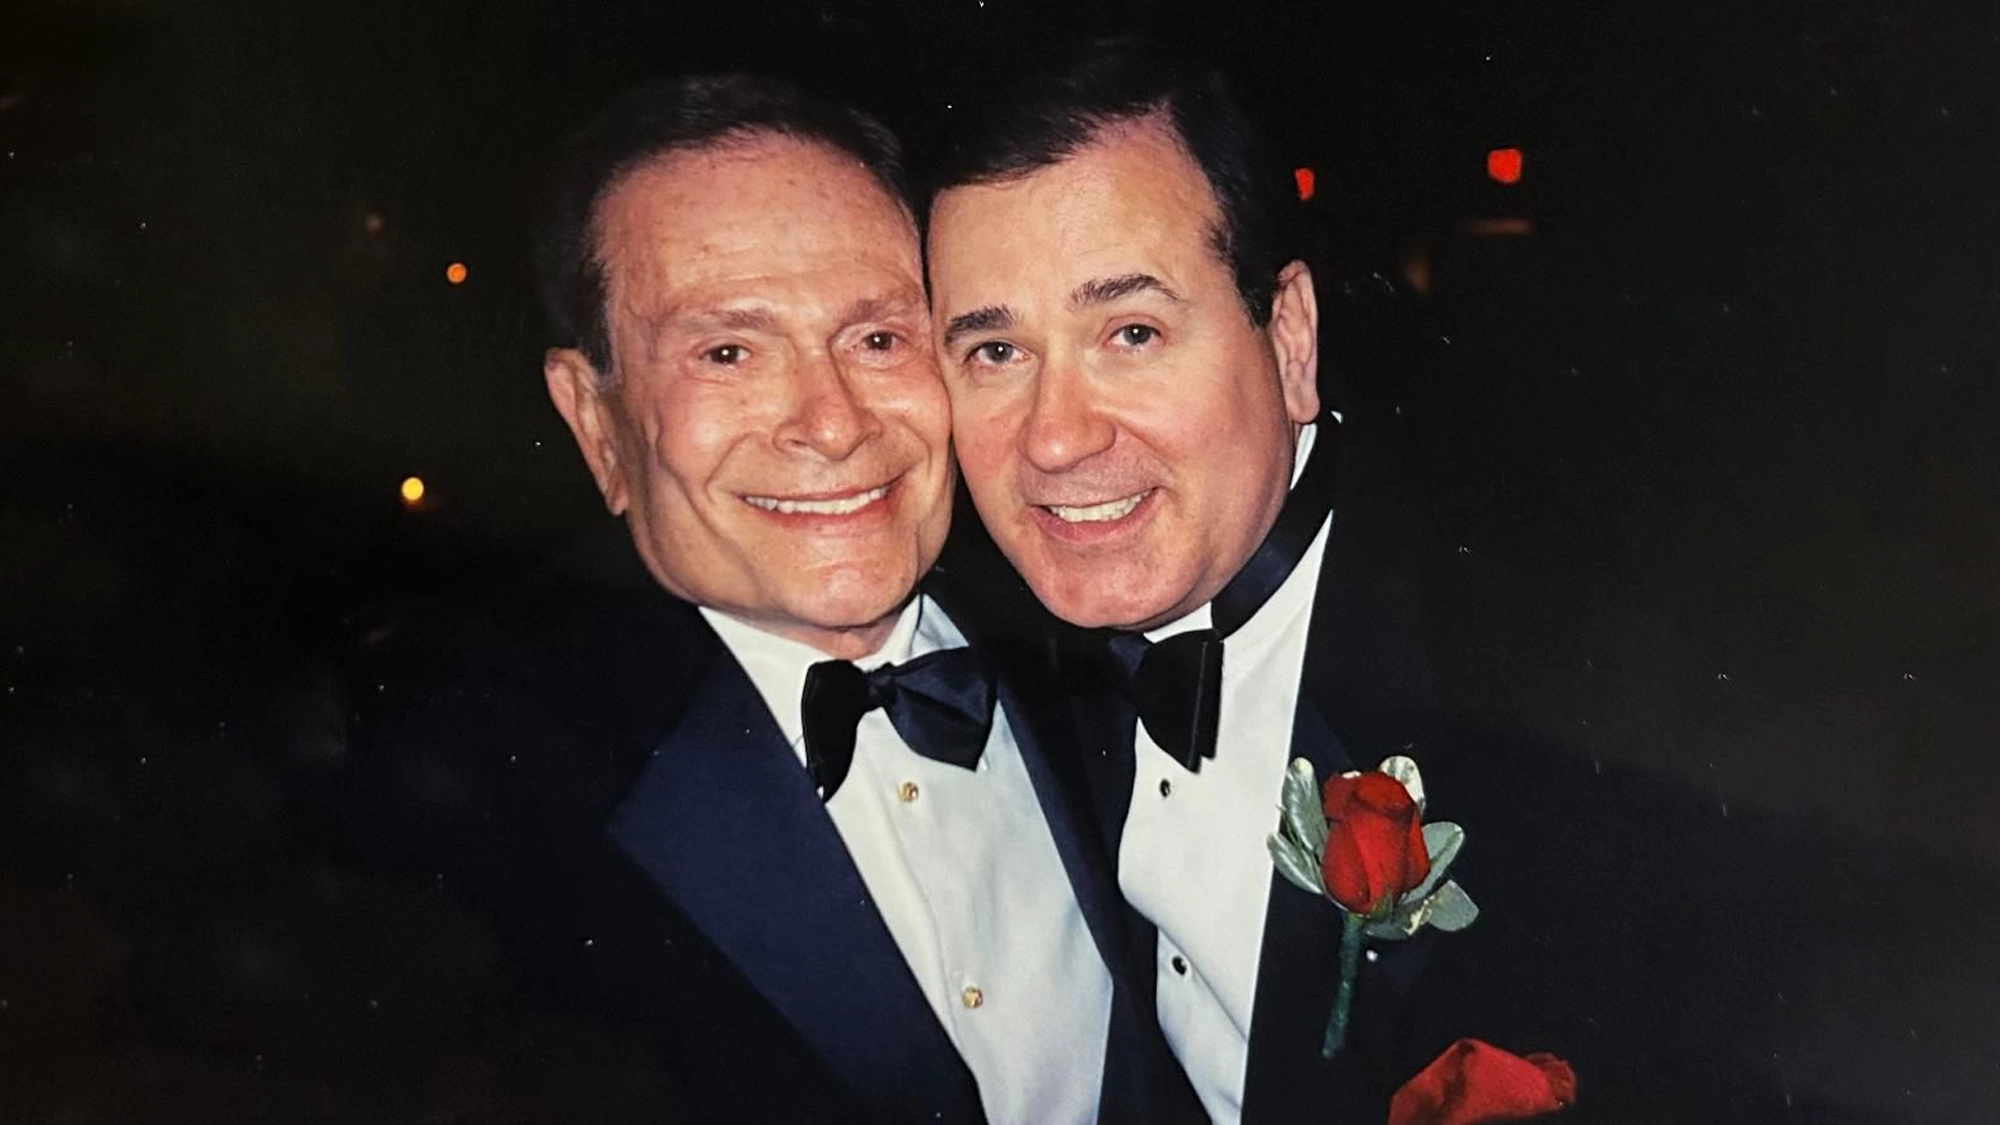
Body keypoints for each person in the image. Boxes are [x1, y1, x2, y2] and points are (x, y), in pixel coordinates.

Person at [343, 74, 1196, 1123]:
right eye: (728, 353)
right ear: (593, 421)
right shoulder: (458, 818)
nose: (828, 424)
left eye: (877, 338)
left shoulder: (1112, 649)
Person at [923, 38, 1478, 1123]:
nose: (1055, 439)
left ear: (1289, 338)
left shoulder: (1539, 682)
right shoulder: (1002, 679)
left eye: (1129, 332)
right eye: (994, 354)